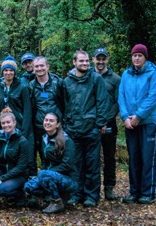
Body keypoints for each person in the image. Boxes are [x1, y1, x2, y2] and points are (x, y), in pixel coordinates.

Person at [63, 49, 108, 207]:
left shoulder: (96, 79)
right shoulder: (66, 82)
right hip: (73, 129)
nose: (85, 63)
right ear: (74, 62)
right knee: (76, 165)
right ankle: (76, 194)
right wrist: (65, 125)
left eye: (87, 61)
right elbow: (64, 105)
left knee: (92, 164)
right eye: (81, 61)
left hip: (91, 129)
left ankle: (91, 196)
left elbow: (102, 102)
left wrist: (100, 123)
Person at [118, 44, 156, 204]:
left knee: (148, 157)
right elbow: (121, 96)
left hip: (149, 122)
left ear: (145, 57)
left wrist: (138, 116)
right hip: (130, 123)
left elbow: (153, 97)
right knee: (134, 158)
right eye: (134, 55)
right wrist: (125, 117)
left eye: (140, 55)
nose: (136, 58)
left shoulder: (154, 73)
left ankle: (147, 192)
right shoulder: (126, 74)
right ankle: (134, 192)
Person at [24, 111, 78, 214]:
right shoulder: (44, 139)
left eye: (51, 121)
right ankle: (54, 196)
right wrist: (43, 175)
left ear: (57, 124)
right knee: (28, 186)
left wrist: (46, 174)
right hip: (49, 176)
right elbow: (45, 162)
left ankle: (57, 201)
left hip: (68, 179)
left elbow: (67, 165)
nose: (47, 123)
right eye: (46, 120)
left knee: (44, 174)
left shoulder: (66, 140)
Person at [0, 108, 30, 208]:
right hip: (2, 170)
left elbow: (21, 167)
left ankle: (19, 194)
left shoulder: (22, 141)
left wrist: (1, 179)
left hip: (18, 175)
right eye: (3, 123)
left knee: (2, 189)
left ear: (14, 122)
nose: (6, 125)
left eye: (8, 122)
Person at [92, 48, 121, 201]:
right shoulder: (88, 76)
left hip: (109, 124)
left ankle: (109, 187)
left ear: (107, 60)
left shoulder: (116, 79)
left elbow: (117, 102)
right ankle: (93, 188)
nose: (101, 62)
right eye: (98, 59)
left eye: (103, 59)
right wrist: (97, 121)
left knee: (109, 157)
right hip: (91, 124)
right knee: (92, 158)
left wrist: (105, 120)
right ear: (93, 59)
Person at [29, 56, 65, 174]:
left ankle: (57, 179)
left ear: (47, 67)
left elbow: (65, 103)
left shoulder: (58, 82)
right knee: (42, 154)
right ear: (33, 68)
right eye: (37, 66)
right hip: (39, 126)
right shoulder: (31, 85)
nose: (39, 69)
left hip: (56, 126)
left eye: (42, 66)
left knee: (57, 154)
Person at [0, 56, 32, 158]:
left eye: (11, 70)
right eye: (6, 70)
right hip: (4, 126)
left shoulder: (22, 87)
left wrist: (24, 130)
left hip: (19, 125)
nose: (8, 73)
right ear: (2, 72)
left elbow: (27, 110)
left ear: (15, 72)